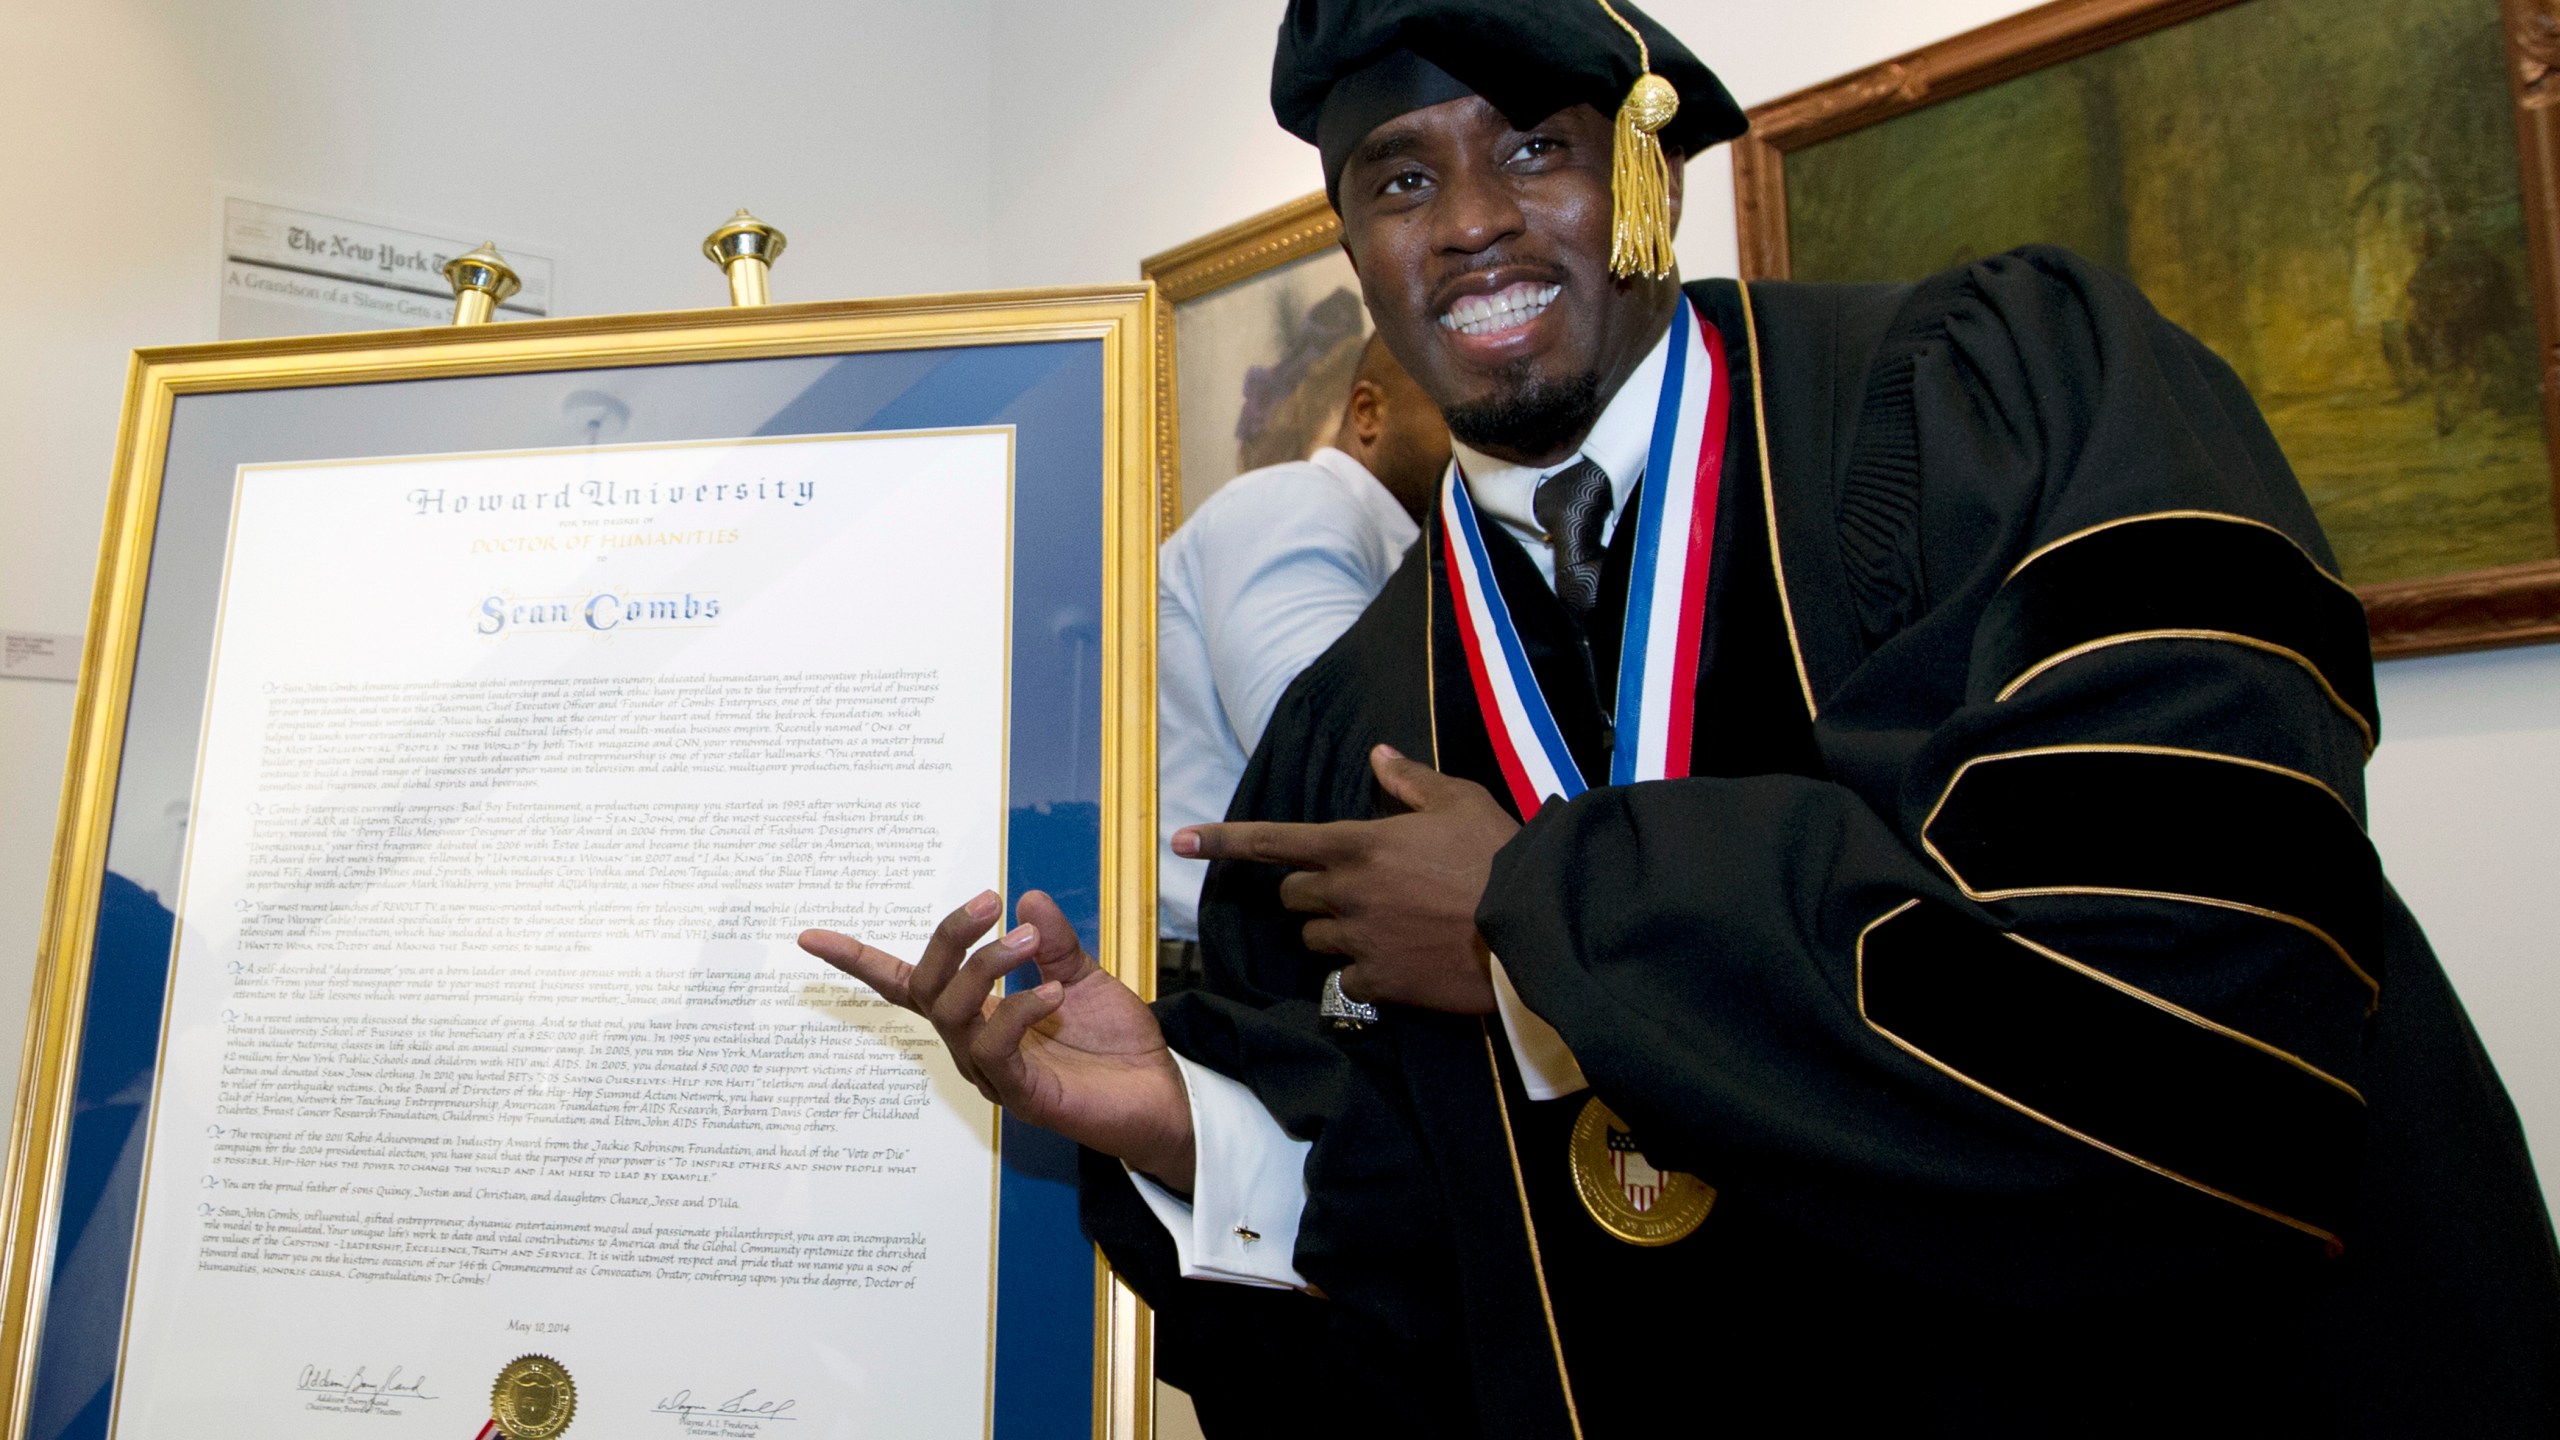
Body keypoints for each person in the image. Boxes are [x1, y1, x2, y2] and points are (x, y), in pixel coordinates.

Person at [800, 0, 2560, 1433]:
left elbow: (2200, 975)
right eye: (1400, 178)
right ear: (1355, 248)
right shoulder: (1351, 725)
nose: (1474, 221)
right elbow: (1445, 1283)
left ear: (1642, 177)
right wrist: (1194, 1126)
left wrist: (1539, 915)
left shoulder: (1993, 413)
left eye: (1536, 149)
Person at [1158, 334, 1449, 986]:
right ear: (1368, 413)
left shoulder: (1401, 554)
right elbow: (1338, 766)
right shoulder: (1299, 502)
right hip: (1216, 978)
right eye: (1450, 398)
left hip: (1257, 966)